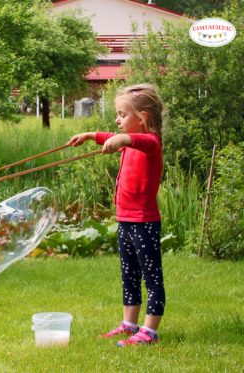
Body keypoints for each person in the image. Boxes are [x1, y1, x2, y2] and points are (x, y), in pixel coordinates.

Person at [67, 83, 165, 347]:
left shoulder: (149, 143)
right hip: (125, 220)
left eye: (123, 114)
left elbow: (136, 140)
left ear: (143, 117)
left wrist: (121, 138)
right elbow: (113, 135)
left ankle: (149, 331)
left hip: (145, 223)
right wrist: (90, 134)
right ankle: (129, 324)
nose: (117, 120)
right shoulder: (127, 141)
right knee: (129, 275)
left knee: (151, 277)